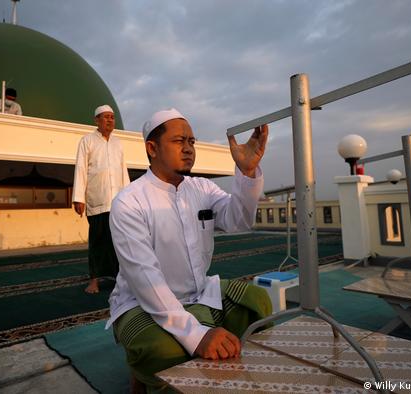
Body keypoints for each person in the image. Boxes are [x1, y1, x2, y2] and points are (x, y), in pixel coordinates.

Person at [106, 108, 271, 390]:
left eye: (192, 142)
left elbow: (238, 220)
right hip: (141, 302)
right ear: (152, 148)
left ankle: (229, 373)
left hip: (199, 292)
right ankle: (141, 374)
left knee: (258, 303)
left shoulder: (202, 188)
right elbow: (146, 278)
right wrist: (197, 335)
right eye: (179, 141)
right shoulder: (129, 202)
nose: (188, 149)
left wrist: (246, 171)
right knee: (166, 352)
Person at [72, 104, 130, 294]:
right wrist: (78, 197)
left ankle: (120, 279)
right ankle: (94, 281)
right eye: (105, 117)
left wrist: (130, 197)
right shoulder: (87, 141)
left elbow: (123, 171)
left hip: (118, 202)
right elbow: (80, 169)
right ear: (96, 120)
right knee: (97, 242)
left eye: (112, 117)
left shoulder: (117, 143)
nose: (109, 120)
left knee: (119, 242)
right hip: (97, 201)